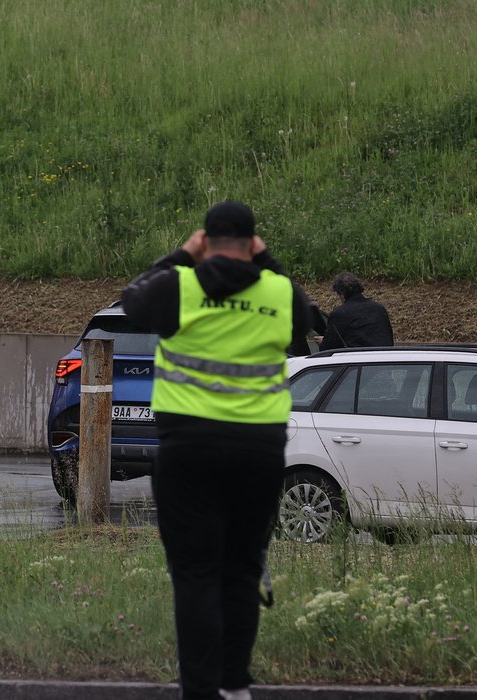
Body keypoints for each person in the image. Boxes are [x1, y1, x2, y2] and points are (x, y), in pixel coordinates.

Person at [121, 200, 311, 700]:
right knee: (243, 570)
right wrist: (268, 262)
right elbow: (302, 327)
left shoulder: (179, 286)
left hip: (190, 451)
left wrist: (183, 254)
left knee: (197, 575)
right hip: (258, 452)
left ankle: (201, 691)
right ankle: (235, 687)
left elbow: (132, 299)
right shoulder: (280, 291)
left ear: (205, 239)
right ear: (252, 243)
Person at [316, 271, 393, 350]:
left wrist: (324, 342)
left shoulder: (340, 314)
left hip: (356, 359)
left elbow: (328, 348)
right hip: (384, 357)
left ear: (342, 293)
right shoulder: (379, 308)